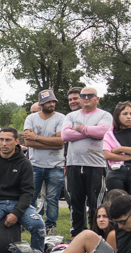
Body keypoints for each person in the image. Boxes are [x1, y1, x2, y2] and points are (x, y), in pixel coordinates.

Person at [62, 86, 112, 236]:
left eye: (90, 95)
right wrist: (90, 132)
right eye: (83, 96)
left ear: (97, 98)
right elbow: (65, 135)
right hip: (73, 165)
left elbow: (102, 132)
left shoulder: (104, 115)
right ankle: (77, 235)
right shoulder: (71, 116)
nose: (86, 98)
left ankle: (97, 235)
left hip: (96, 165)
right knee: (75, 203)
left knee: (96, 204)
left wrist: (78, 128)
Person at [23, 89, 66, 231]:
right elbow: (27, 142)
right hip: (35, 164)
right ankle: (31, 223)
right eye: (48, 102)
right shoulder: (31, 118)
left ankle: (50, 225)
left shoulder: (61, 118)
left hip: (55, 165)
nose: (51, 104)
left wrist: (36, 137)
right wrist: (51, 142)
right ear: (41, 104)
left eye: (53, 101)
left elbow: (60, 142)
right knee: (31, 197)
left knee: (52, 198)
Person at [103, 101, 131, 194]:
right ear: (117, 116)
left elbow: (113, 153)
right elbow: (107, 155)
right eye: (125, 114)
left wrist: (120, 149)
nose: (128, 117)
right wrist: (128, 157)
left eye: (130, 114)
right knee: (117, 200)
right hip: (116, 172)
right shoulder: (110, 133)